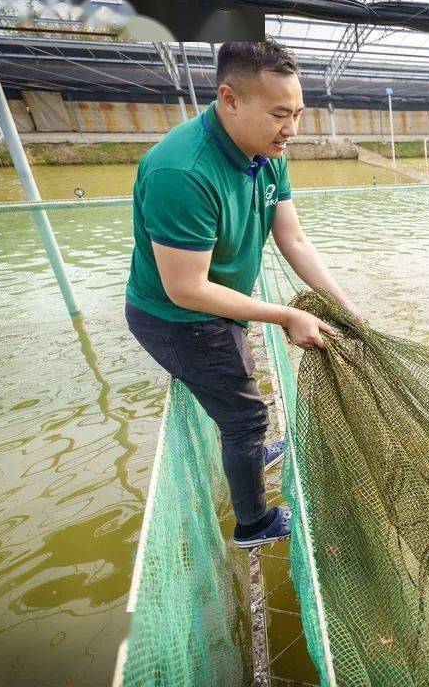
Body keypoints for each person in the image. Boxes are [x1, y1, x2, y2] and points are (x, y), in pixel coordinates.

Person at [125, 39, 360, 548]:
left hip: (219, 299)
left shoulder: (266, 151)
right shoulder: (182, 172)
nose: (292, 130)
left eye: (297, 113)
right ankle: (253, 525)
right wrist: (282, 315)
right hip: (177, 318)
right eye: (280, 114)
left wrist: (347, 308)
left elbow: (292, 237)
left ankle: (249, 448)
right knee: (245, 415)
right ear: (229, 99)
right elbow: (186, 289)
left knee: (242, 398)